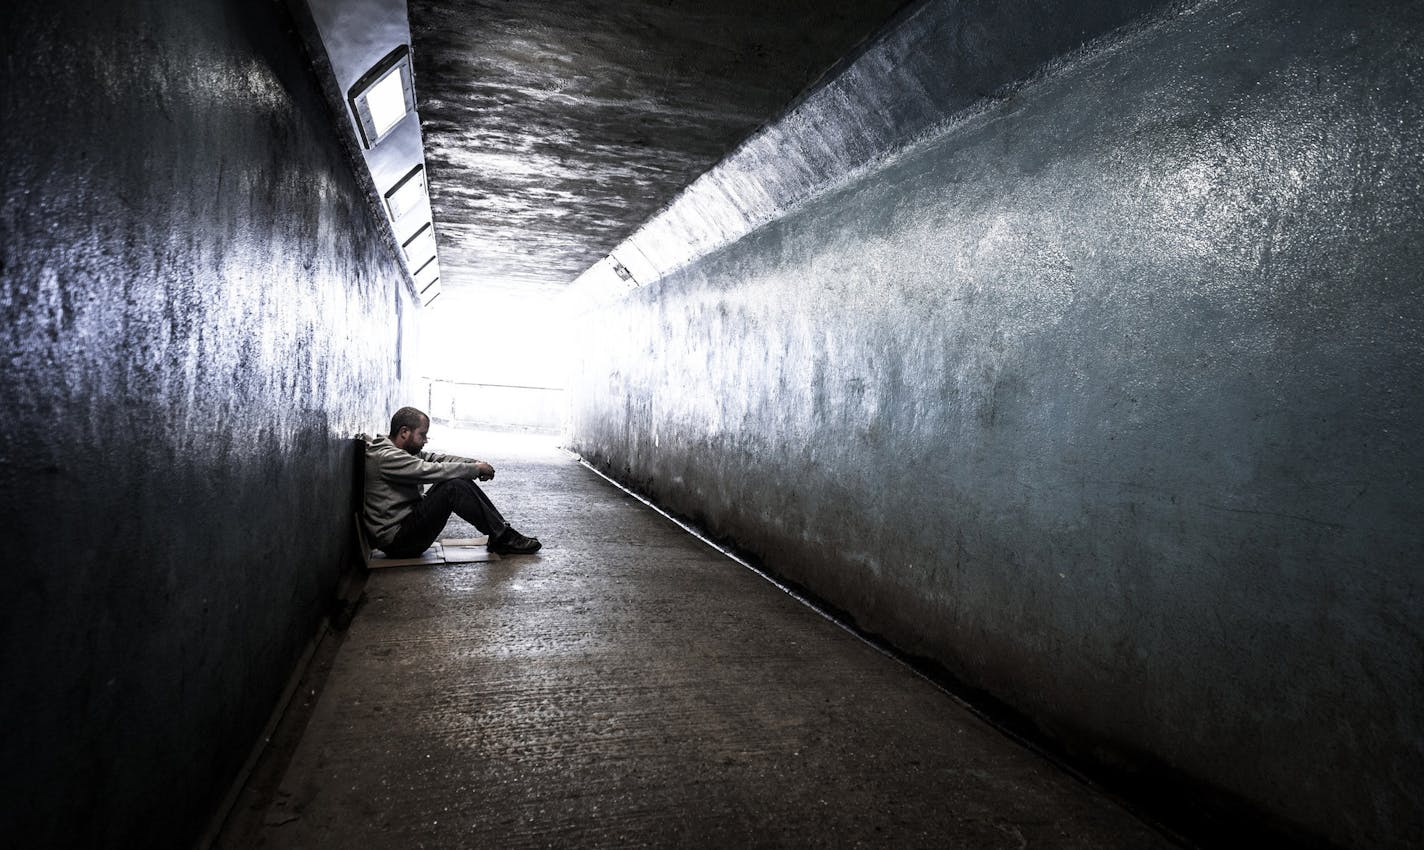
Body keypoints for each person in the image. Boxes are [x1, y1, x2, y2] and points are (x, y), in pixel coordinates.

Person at [363, 407, 542, 557]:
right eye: (422, 435)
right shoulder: (386, 457)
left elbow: (438, 460)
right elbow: (431, 470)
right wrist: (475, 470)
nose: (425, 440)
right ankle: (504, 537)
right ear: (404, 432)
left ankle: (502, 534)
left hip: (407, 527)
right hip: (398, 542)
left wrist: (474, 464)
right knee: (452, 486)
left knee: (454, 480)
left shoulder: (403, 451)